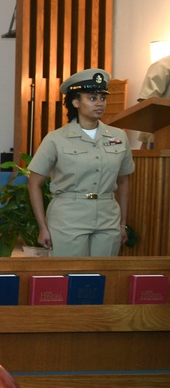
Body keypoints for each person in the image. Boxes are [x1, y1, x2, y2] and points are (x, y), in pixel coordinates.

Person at [28, 69, 133, 256]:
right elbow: (34, 183)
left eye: (102, 98)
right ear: (76, 102)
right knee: (70, 276)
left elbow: (124, 182)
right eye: (92, 98)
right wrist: (42, 226)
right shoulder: (56, 138)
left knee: (103, 277)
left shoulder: (119, 137)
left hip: (108, 217)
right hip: (68, 217)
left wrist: (122, 222)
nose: (100, 103)